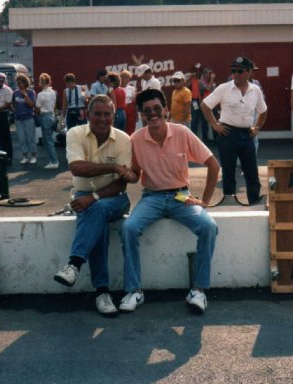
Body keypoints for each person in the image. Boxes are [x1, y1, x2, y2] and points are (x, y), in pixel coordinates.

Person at [120, 89, 220, 314]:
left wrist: (204, 201)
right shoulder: (136, 139)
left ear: (165, 110)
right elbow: (136, 174)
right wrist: (128, 174)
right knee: (128, 228)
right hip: (152, 196)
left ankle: (199, 291)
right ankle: (134, 291)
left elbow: (213, 164)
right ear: (141, 115)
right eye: (147, 111)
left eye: (157, 109)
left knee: (208, 227)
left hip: (181, 196)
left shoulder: (182, 133)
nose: (153, 114)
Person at [53, 95, 135, 317]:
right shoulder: (75, 133)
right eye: (97, 114)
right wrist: (115, 167)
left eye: (107, 114)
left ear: (113, 114)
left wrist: (94, 196)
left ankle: (74, 265)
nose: (102, 118)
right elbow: (77, 168)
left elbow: (122, 182)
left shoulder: (123, 139)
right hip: (85, 195)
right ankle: (102, 293)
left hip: (116, 197)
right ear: (87, 115)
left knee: (95, 209)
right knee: (97, 219)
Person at [201, 56, 267, 205]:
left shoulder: (255, 90)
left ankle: (254, 201)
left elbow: (263, 111)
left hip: (247, 135)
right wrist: (215, 125)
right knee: (228, 172)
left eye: (240, 71)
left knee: (252, 173)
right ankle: (229, 201)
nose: (235, 74)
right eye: (233, 71)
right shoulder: (224, 88)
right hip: (227, 134)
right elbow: (205, 105)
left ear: (249, 72)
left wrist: (257, 127)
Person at [35, 73, 59, 169]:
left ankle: (54, 161)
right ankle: (53, 160)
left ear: (41, 82)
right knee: (49, 140)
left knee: (48, 141)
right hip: (52, 116)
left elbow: (37, 107)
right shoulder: (53, 92)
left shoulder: (40, 94)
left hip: (45, 117)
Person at [12, 74, 37, 164]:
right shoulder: (15, 93)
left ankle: (33, 156)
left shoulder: (31, 92)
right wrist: (15, 110)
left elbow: (32, 105)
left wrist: (25, 95)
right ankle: (25, 156)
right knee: (21, 138)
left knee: (30, 138)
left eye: (20, 83)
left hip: (28, 118)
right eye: (18, 83)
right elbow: (13, 103)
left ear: (25, 83)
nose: (19, 85)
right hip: (18, 119)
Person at [199, 68, 217, 143]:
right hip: (205, 104)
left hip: (213, 104)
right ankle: (205, 140)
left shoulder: (213, 82)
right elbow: (208, 88)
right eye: (209, 74)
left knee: (215, 121)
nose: (210, 75)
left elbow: (214, 92)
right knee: (204, 123)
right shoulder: (201, 81)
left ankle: (216, 139)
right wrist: (212, 79)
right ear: (205, 74)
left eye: (211, 74)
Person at [120, 70, 137, 136]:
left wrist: (136, 114)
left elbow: (134, 101)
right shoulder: (117, 88)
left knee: (131, 129)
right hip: (121, 110)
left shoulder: (132, 88)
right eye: (125, 78)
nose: (127, 80)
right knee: (122, 129)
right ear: (121, 78)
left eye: (128, 78)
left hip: (130, 111)